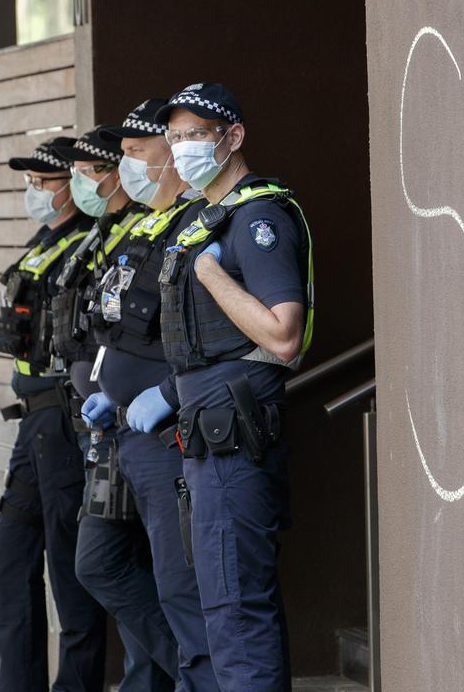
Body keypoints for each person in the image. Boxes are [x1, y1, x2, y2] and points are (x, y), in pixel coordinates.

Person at [154, 82, 314, 691]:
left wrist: (212, 276)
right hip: (209, 432)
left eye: (195, 135)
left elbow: (283, 334)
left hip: (234, 435)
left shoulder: (258, 217)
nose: (182, 149)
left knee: (237, 611)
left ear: (233, 138)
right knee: (224, 606)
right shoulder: (207, 218)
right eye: (174, 138)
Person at [75, 99, 220, 691]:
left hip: (167, 435)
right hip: (118, 431)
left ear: (172, 155)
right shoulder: (141, 226)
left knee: (182, 584)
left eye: (137, 152)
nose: (127, 164)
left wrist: (164, 391)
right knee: (101, 564)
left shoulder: (200, 223)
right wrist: (108, 391)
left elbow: (216, 339)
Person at [50, 125, 178, 692]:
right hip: (104, 421)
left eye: (90, 170)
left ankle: (181, 675)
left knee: (139, 563)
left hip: (149, 426)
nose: (80, 182)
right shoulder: (107, 232)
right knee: (102, 560)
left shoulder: (157, 228)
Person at [0, 137, 107, 692]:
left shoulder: (89, 242)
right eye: (29, 182)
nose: (33, 191)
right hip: (31, 423)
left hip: (63, 421)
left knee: (69, 572)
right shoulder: (44, 241)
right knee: (11, 558)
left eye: (44, 181)